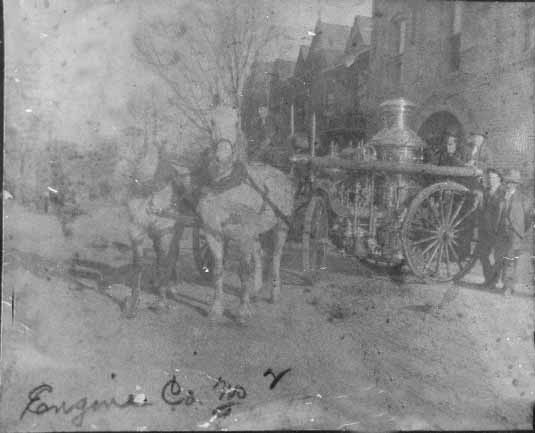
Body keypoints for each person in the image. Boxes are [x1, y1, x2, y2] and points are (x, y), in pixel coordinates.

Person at [494, 168, 525, 296]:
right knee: (500, 257)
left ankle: (508, 287)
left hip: (514, 233)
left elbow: (527, 217)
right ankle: (502, 283)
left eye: (512, 182)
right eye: (508, 182)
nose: (509, 185)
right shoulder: (501, 196)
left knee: (510, 259)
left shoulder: (522, 198)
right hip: (502, 231)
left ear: (516, 184)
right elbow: (498, 213)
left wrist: (518, 230)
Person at [478, 168, 506, 288]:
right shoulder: (486, 191)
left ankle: (493, 281)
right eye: (489, 178)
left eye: (493, 178)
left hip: (498, 229)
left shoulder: (504, 192)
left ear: (499, 179)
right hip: (486, 229)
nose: (491, 180)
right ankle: (488, 279)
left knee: (498, 257)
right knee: (483, 254)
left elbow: (503, 212)